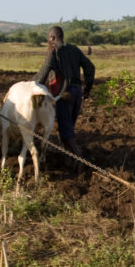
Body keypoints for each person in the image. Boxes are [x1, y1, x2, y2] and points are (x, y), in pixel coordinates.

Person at [34, 25, 95, 170]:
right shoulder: (74, 49)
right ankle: (69, 159)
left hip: (64, 95)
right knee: (69, 128)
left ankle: (80, 159)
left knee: (65, 131)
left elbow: (44, 72)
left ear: (53, 38)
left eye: (49, 39)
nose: (48, 43)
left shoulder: (53, 51)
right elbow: (90, 67)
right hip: (77, 92)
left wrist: (29, 86)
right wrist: (87, 89)